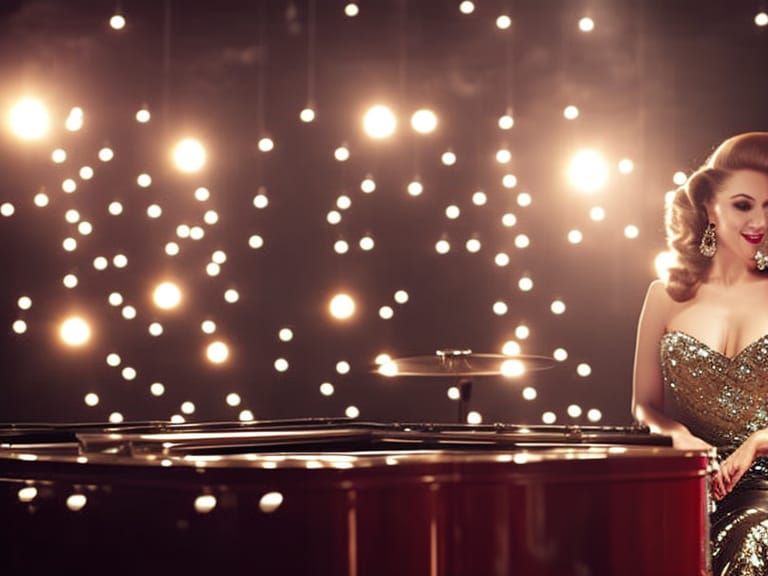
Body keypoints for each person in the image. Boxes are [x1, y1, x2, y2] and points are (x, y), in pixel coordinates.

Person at [632, 132, 768, 575]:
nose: (758, 221)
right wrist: (678, 436)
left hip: (764, 487)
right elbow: (644, 405)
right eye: (743, 204)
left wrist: (756, 443)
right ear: (710, 207)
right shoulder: (665, 296)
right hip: (689, 479)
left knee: (753, 536)